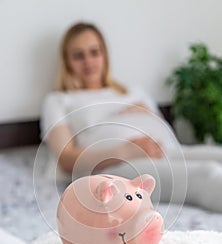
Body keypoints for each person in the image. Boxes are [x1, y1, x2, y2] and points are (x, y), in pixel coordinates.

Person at [41, 22, 222, 212]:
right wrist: (124, 151)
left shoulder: (133, 92)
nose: (88, 61)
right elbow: (67, 159)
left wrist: (147, 115)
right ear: (67, 61)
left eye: (94, 52)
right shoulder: (59, 100)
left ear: (105, 55)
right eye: (78, 55)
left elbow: (164, 134)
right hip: (115, 167)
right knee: (206, 173)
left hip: (166, 151)